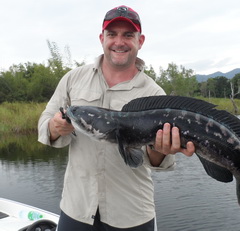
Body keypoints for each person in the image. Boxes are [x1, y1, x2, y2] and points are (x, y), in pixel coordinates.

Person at [38, 5, 195, 231]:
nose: (119, 42)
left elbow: (156, 160)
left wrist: (161, 149)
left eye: (128, 35)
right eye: (112, 34)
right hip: (76, 208)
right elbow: (44, 123)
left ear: (140, 41)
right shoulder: (73, 79)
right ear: (102, 38)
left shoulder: (154, 94)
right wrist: (55, 127)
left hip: (132, 213)